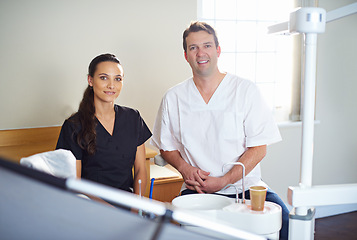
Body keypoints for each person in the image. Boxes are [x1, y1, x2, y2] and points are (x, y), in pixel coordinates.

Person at [151, 21, 289, 239]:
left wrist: (224, 180)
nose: (200, 53)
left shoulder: (245, 90)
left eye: (206, 45)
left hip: (244, 189)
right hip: (197, 191)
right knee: (175, 230)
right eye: (193, 47)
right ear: (186, 55)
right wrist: (186, 169)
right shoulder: (173, 98)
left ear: (218, 50)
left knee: (284, 220)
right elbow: (166, 147)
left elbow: (259, 149)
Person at [56, 53, 151, 199]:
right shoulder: (74, 126)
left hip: (129, 204)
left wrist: (136, 207)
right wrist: (111, 212)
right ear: (90, 80)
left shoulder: (133, 118)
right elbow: (76, 184)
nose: (111, 85)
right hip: (91, 207)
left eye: (117, 79)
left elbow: (140, 170)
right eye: (103, 77)